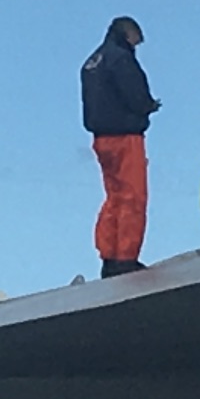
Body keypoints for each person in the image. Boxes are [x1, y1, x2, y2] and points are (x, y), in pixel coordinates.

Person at [79, 15, 157, 275]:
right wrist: (147, 107)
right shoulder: (121, 59)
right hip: (126, 136)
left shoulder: (92, 62)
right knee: (133, 196)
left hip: (101, 138)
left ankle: (109, 255)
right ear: (128, 34)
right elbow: (136, 93)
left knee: (114, 196)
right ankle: (126, 257)